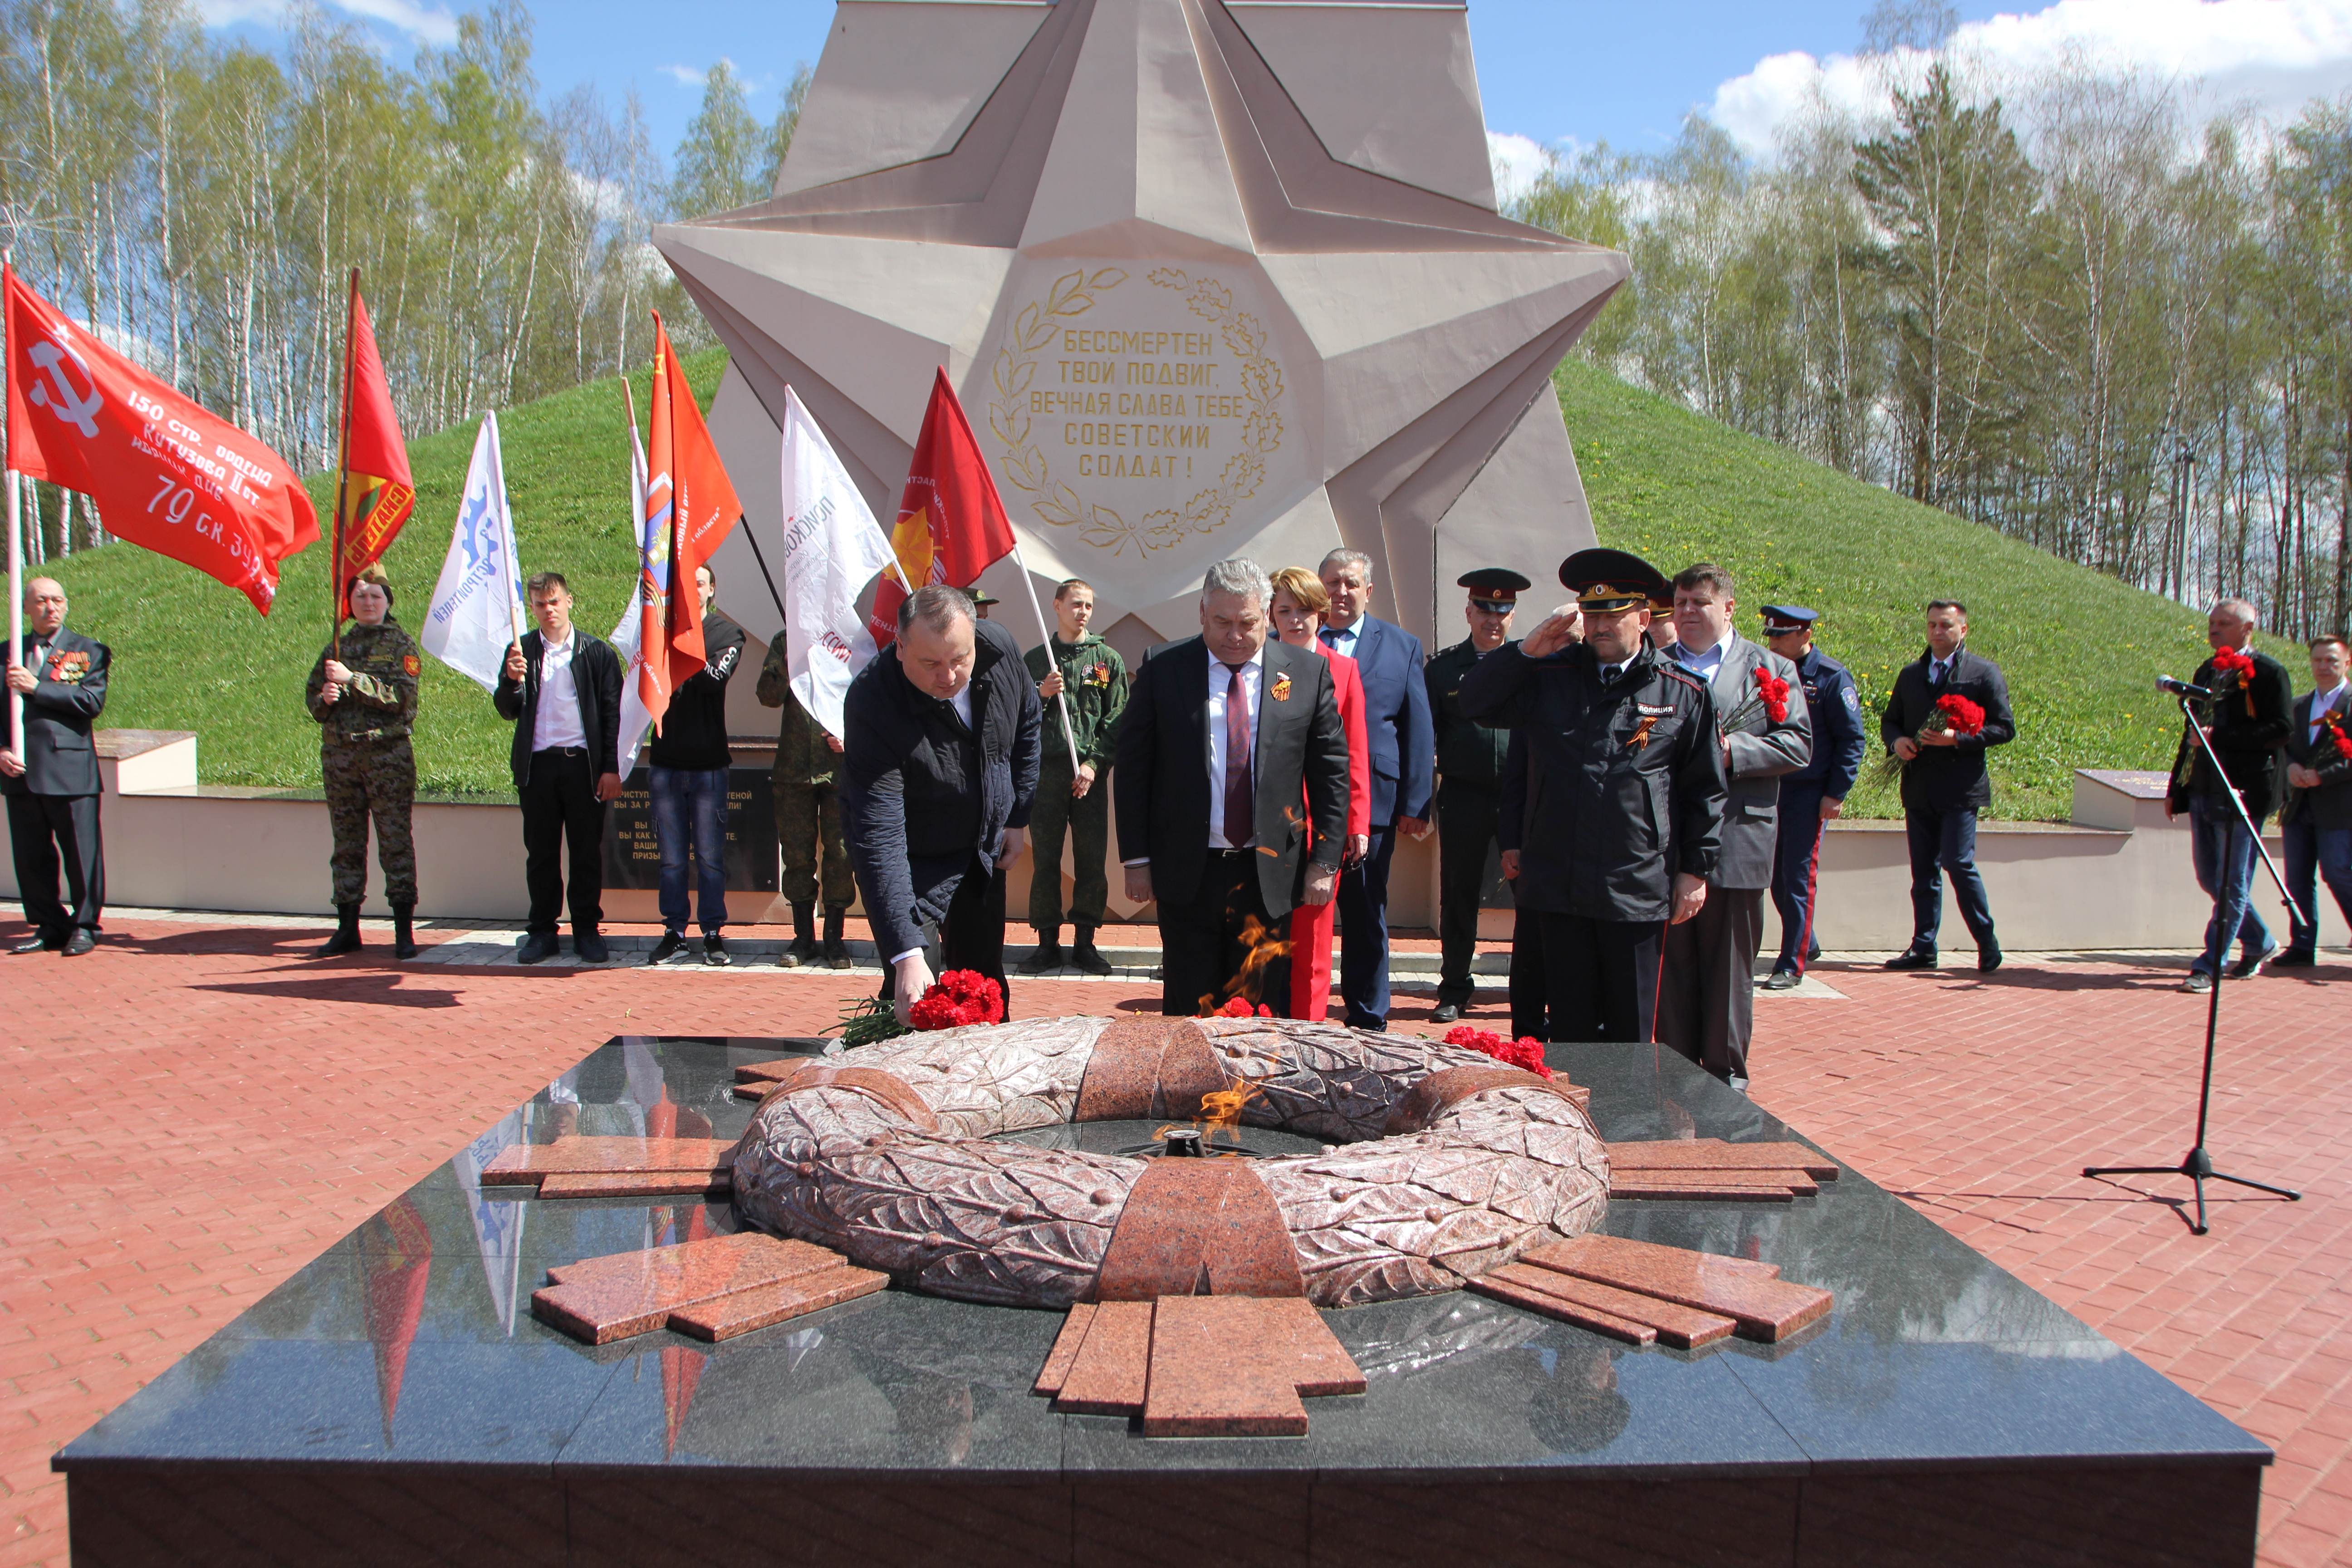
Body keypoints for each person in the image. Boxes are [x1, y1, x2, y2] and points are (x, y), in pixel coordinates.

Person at [1458, 549, 1725, 1043]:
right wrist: (1526, 650)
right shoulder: (1548, 676)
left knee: (1631, 1029)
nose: (1602, 625)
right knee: (1568, 1031)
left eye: (1615, 614)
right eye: (1593, 613)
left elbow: (1704, 789)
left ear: (1644, 619)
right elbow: (1475, 702)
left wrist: (1695, 871)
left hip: (1634, 888)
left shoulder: (1682, 691)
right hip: (1557, 886)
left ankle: (1631, 1122)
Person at [1116, 558, 1349, 1017]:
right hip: (1188, 872)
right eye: (1222, 622)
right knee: (1190, 1013)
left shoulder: (1304, 674)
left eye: (1247, 622)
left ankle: (1254, 1092)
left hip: (1269, 876)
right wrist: (1136, 860)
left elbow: (1331, 774)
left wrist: (1324, 862)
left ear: (1266, 616)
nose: (1235, 635)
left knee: (1258, 1010)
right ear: (1202, 613)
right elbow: (1133, 769)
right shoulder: (1164, 669)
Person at [840, 585, 1040, 1022]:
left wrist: (1017, 818)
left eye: (960, 659)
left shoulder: (1000, 649)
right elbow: (879, 832)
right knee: (917, 991)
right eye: (930, 663)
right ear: (900, 648)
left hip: (981, 852)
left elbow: (1027, 724)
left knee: (983, 985)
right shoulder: (872, 703)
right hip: (913, 861)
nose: (948, 676)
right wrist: (905, 954)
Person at [1656, 565, 1810, 1088]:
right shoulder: (1656, 667)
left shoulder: (1770, 670)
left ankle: (1724, 1081)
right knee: (1672, 970)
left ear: (1729, 608)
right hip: (1669, 844)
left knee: (1728, 972)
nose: (1687, 613)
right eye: (1680, 604)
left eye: (1699, 603)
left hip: (1739, 839)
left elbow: (1797, 744)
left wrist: (1731, 750)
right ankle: (1673, 1075)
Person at [1317, 547, 1434, 1030]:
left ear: (1369, 591)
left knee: (1366, 911)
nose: (1340, 592)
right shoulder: (1296, 639)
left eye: (1350, 583)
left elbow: (1418, 727)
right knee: (1309, 909)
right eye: (1331, 583)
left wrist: (1416, 804)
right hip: (1311, 800)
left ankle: (1367, 1014)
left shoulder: (1401, 645)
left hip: (1378, 804)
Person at [2165, 598, 2293, 992]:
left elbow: (2281, 729)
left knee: (2230, 881)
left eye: (2223, 623)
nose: (2214, 628)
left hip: (2244, 790)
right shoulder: (2208, 669)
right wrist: (2177, 787)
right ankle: (2259, 941)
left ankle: (2210, 964)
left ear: (2247, 629)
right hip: (2204, 787)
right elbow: (2192, 732)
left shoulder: (2269, 673)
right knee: (2210, 876)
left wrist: (2222, 738)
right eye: (2212, 622)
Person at [495, 572, 624, 964]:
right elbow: (506, 709)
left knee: (586, 852)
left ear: (570, 601)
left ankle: (586, 929)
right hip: (538, 769)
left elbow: (612, 715)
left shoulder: (596, 653)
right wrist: (512, 681)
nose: (548, 610)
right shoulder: (521, 651)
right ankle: (542, 932)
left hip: (583, 766)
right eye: (540, 604)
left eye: (554, 602)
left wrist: (610, 768)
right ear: (531, 608)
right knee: (541, 854)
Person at [1881, 601, 2016, 974]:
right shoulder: (1911, 675)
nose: (1938, 632)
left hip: (1960, 789)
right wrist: (1898, 743)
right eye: (1932, 625)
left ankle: (1986, 942)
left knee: (1958, 863)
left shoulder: (1983, 673)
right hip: (1919, 786)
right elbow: (1890, 721)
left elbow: (2005, 728)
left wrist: (1959, 738)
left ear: (1963, 630)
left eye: (1946, 625)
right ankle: (1923, 947)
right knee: (1923, 871)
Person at [1424, 568, 1529, 1023]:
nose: (1493, 618)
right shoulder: (1444, 669)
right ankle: (1453, 989)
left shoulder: (1529, 666)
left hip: (1519, 798)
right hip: (1464, 796)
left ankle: (1529, 987)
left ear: (1512, 615)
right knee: (1459, 894)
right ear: (1469, 612)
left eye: (1503, 610)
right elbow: (1426, 735)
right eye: (1485, 609)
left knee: (1532, 897)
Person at [304, 564, 421, 960]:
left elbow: (401, 700)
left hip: (386, 757)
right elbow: (313, 702)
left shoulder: (401, 645)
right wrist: (325, 698)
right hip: (341, 757)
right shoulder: (338, 646)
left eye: (375, 596)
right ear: (349, 604)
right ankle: (347, 927)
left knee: (395, 844)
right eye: (359, 597)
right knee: (347, 844)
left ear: (388, 601)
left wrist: (353, 680)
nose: (367, 602)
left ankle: (403, 932)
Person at [1268, 566, 1370, 1020]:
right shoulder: (1257, 666)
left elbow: (1356, 753)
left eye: (1305, 610)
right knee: (1265, 942)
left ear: (1322, 614)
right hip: (1267, 828)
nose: (1295, 621)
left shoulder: (1343, 669)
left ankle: (1308, 1037)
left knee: (1312, 942)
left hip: (1320, 831)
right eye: (1285, 611)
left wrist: (1357, 824)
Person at [1019, 579, 1128, 977]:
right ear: (1057, 606)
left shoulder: (1106, 660)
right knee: (1045, 858)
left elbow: (1117, 718)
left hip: (1089, 775)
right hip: (1047, 772)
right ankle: (1047, 942)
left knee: (1091, 860)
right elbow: (1014, 713)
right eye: (1076, 604)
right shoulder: (1037, 660)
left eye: (1088, 606)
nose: (1083, 612)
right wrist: (1041, 693)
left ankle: (1086, 942)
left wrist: (1094, 764)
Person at [1759, 606, 1866, 988]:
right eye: (1770, 635)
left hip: (1808, 792)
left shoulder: (1831, 677)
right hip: (1771, 788)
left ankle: (1791, 964)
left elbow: (1851, 740)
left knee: (1798, 879)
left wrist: (1836, 793)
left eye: (1781, 636)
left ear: (1805, 635)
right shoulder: (1766, 673)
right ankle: (1808, 940)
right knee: (1773, 877)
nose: (1773, 642)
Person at [644, 563, 745, 966]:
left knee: (709, 856)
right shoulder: (659, 631)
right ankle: (674, 932)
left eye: (699, 584)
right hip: (666, 762)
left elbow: (713, 680)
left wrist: (684, 643)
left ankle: (713, 934)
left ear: (711, 590)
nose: (693, 590)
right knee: (671, 859)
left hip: (708, 766)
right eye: (687, 585)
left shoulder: (727, 634)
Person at [2, 576, 108, 956]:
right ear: (26, 608)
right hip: (21, 774)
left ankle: (85, 926)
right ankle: (50, 924)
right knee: (31, 858)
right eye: (42, 600)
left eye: (58, 600)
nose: (51, 607)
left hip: (70, 771)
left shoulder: (88, 651)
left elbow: (90, 702)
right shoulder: (7, 654)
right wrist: (2, 750)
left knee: (81, 854)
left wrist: (35, 687)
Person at [755, 629, 854, 969]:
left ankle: (835, 940)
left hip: (839, 771)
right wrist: (785, 665)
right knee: (797, 856)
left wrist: (851, 735)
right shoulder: (786, 640)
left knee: (840, 855)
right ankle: (803, 938)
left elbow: (871, 699)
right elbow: (767, 696)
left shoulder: (850, 640)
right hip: (794, 770)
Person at [2279, 633, 2352, 967]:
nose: (2324, 667)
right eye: (2318, 660)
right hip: (2298, 806)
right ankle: (2302, 945)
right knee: (2296, 878)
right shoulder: (2298, 706)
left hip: (2340, 807)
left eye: (2332, 661)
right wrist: (2291, 767)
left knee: (2337, 872)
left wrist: (2325, 775)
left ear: (2346, 663)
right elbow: (2281, 746)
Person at [1496, 730, 1547, 1042]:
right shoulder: (1539, 689)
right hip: (1539, 844)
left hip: (1599, 851)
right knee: (1532, 946)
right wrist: (1511, 842)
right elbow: (1516, 777)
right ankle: (1528, 1041)